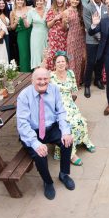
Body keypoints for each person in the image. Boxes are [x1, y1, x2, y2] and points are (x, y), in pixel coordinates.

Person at [16, 68, 75, 200]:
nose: (42, 82)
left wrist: (65, 132)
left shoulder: (54, 89)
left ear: (49, 79)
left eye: (45, 79)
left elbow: (61, 111)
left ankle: (64, 174)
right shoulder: (24, 95)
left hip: (50, 127)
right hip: (32, 131)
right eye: (39, 79)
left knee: (67, 141)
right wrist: (35, 143)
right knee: (40, 154)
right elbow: (22, 124)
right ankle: (47, 182)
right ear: (32, 81)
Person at [50, 53, 95, 165]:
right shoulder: (50, 76)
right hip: (57, 104)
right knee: (70, 124)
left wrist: (70, 104)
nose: (61, 64)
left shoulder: (70, 73)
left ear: (66, 63)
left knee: (80, 121)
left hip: (69, 102)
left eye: (63, 61)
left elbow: (73, 89)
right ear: (54, 64)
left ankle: (84, 141)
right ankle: (70, 154)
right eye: (58, 62)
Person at [83, 0, 108, 97]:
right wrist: (99, 38)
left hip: (103, 40)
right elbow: (89, 26)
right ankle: (87, 85)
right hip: (92, 40)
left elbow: (107, 23)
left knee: (100, 61)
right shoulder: (87, 8)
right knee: (91, 62)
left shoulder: (106, 8)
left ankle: (97, 80)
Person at [64, 0, 87, 87]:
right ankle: (72, 83)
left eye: (77, 0)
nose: (75, 1)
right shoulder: (66, 12)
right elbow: (64, 28)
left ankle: (79, 80)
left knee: (82, 59)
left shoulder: (81, 10)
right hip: (72, 38)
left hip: (81, 38)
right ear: (70, 0)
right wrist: (65, 23)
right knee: (72, 60)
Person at [45, 0, 68, 70]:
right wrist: (55, 19)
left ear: (64, 0)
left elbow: (67, 26)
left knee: (63, 54)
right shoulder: (51, 10)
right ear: (55, 0)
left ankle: (62, 72)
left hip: (64, 36)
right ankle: (52, 72)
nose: (59, 1)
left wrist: (65, 22)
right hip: (54, 36)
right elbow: (48, 25)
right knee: (52, 54)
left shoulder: (66, 10)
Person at [10, 0, 32, 72]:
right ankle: (25, 72)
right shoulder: (13, 12)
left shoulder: (29, 8)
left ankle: (34, 71)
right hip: (21, 34)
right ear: (15, 1)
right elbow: (12, 27)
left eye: (22, 0)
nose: (20, 1)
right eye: (18, 0)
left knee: (32, 52)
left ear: (24, 1)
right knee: (23, 54)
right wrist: (16, 22)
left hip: (31, 33)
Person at [26, 0, 48, 69]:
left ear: (44, 1)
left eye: (41, 0)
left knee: (45, 53)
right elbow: (27, 25)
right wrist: (24, 19)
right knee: (36, 53)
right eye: (37, 1)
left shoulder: (48, 10)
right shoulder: (31, 11)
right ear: (35, 2)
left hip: (46, 34)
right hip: (35, 35)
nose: (39, 2)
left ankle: (46, 73)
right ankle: (36, 73)